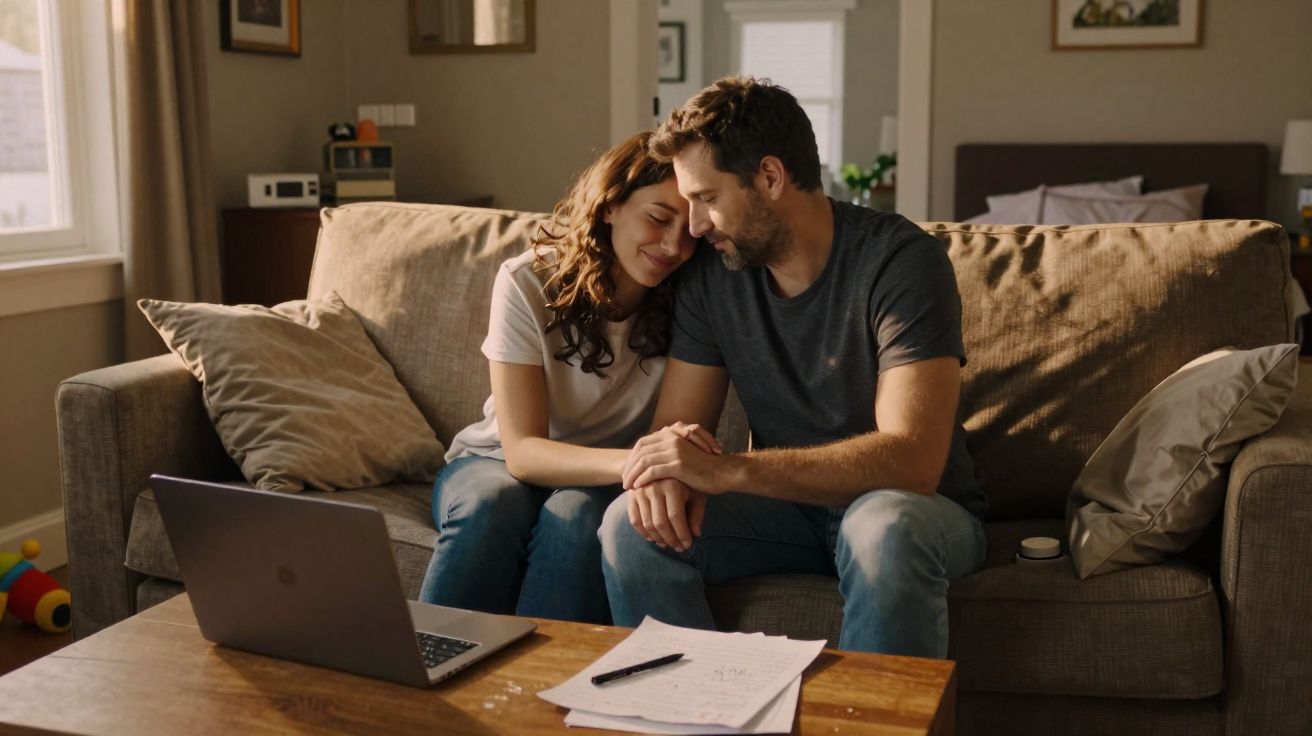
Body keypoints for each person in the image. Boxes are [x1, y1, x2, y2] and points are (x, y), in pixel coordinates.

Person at [597, 77, 989, 657]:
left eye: (707, 198)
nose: (695, 227)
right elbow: (673, 431)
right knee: (629, 526)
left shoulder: (900, 261)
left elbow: (914, 461)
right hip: (788, 515)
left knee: (882, 528)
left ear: (770, 177)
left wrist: (732, 470)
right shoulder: (713, 274)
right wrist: (667, 467)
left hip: (915, 512)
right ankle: (698, 702)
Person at [418, 131, 713, 624]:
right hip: (496, 463)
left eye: (690, 232)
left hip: (602, 482)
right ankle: (430, 659)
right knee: (492, 503)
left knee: (578, 517)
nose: (673, 246)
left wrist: (646, 465)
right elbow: (522, 452)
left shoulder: (695, 302)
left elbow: (672, 436)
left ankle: (548, 673)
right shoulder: (527, 281)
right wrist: (640, 462)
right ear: (610, 206)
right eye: (658, 218)